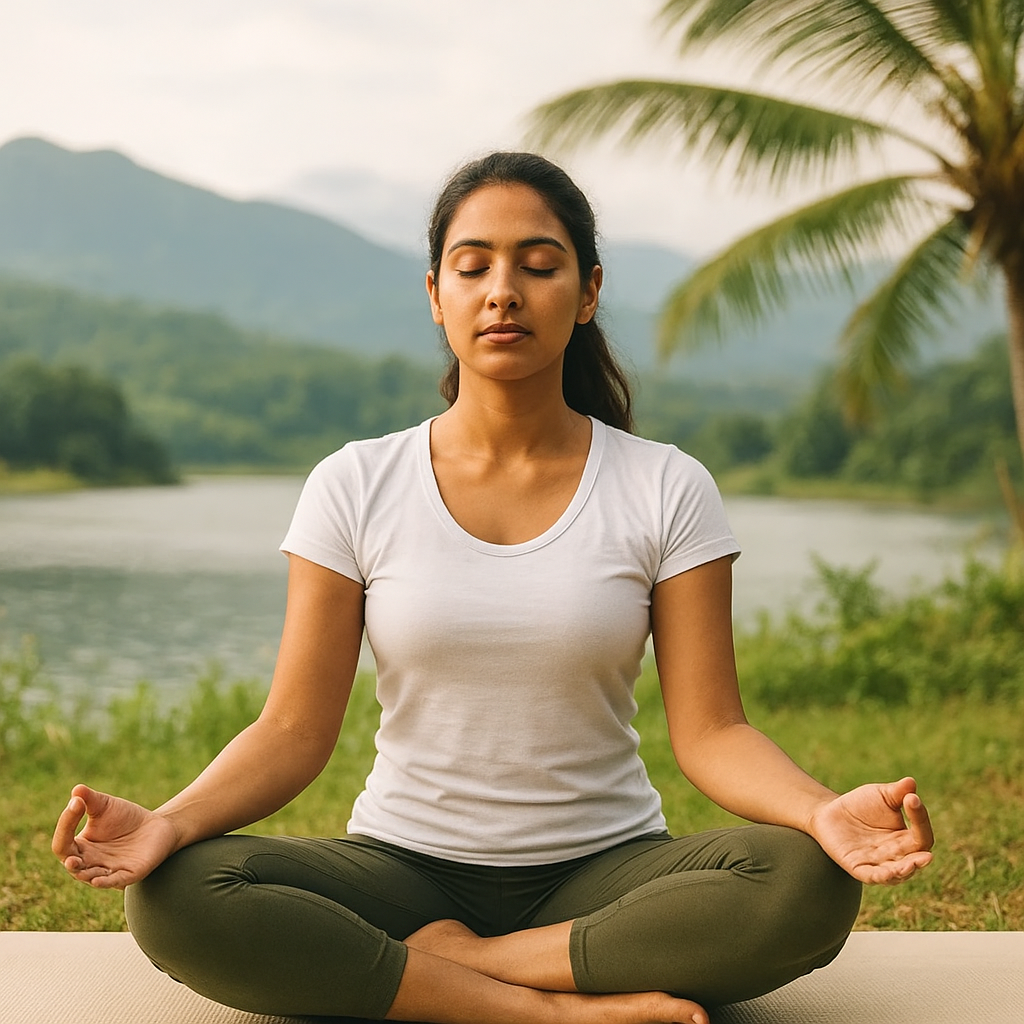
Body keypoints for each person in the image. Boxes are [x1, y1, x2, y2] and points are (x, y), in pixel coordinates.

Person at [52, 152, 933, 1024]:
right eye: (473, 267)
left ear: (586, 294)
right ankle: (544, 1006)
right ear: (437, 296)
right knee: (178, 893)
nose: (503, 290)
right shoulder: (355, 483)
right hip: (403, 873)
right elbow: (292, 729)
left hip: (604, 872)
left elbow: (713, 731)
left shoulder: (665, 485)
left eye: (538, 266)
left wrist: (823, 813)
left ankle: (459, 970)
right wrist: (168, 822)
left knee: (807, 880)